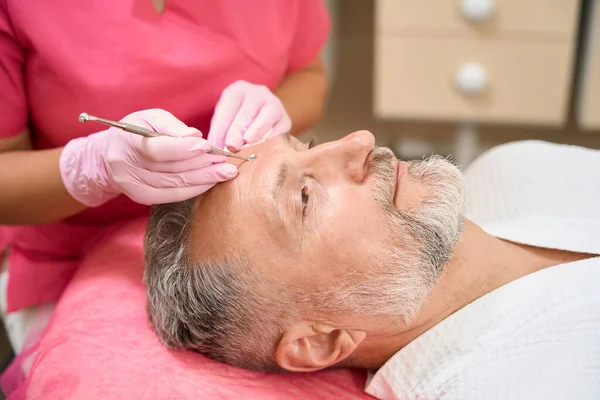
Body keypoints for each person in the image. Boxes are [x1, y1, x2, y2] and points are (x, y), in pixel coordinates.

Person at [144, 131, 600, 399]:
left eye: (310, 143)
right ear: (320, 342)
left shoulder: (511, 169)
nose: (360, 141)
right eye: (305, 196)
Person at [0, 0, 329, 344]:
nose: (361, 141)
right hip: (68, 251)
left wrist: (277, 109)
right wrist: (91, 165)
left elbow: (309, 75)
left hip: (231, 254)